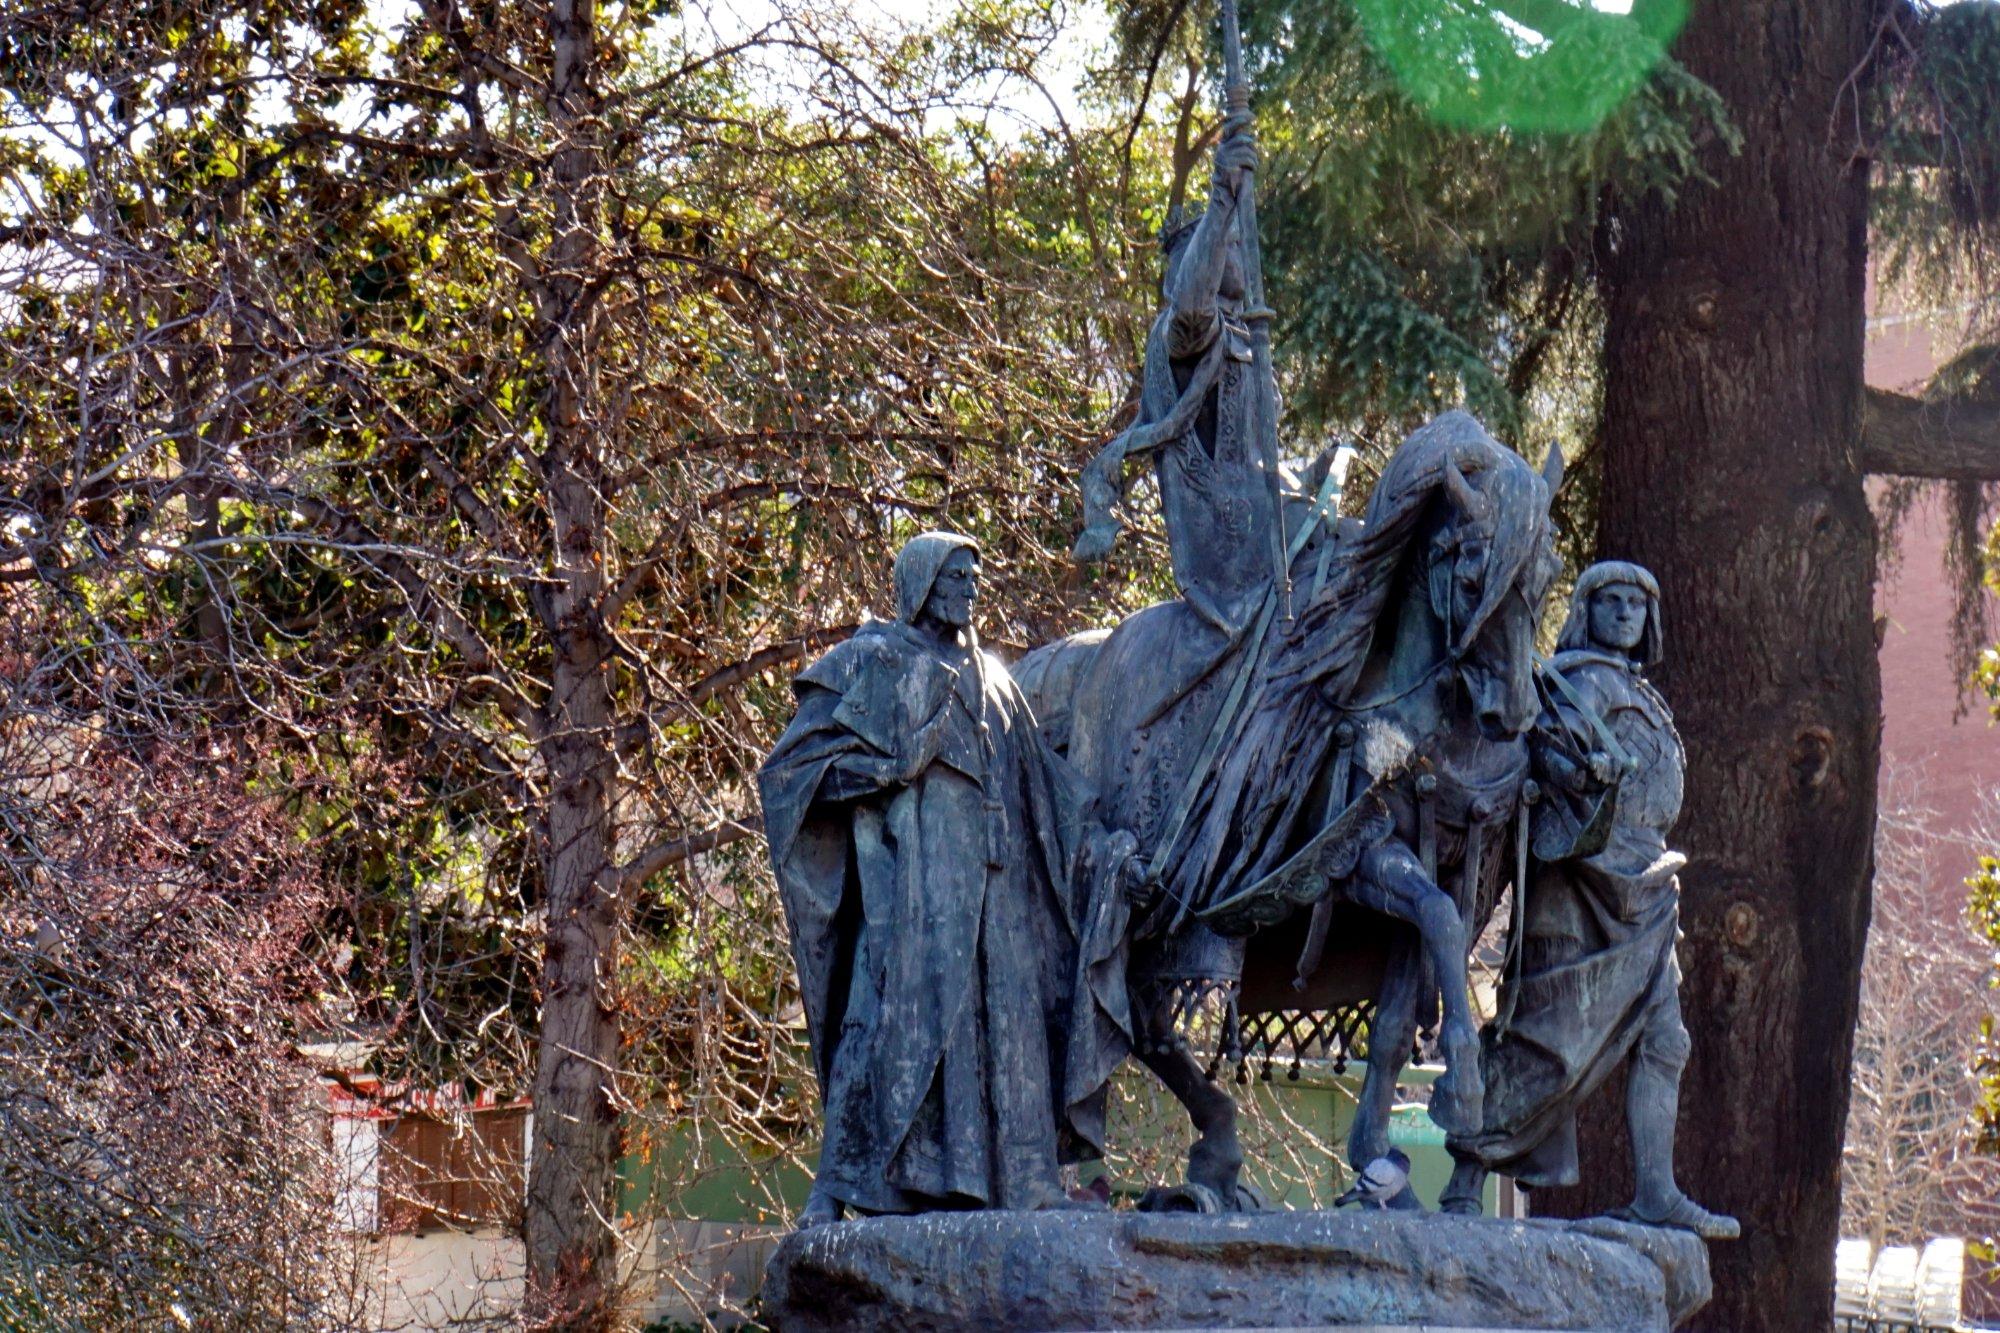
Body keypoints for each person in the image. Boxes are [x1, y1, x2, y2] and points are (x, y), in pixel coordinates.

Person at [758, 532, 1132, 1227]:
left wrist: (1104, 850)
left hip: (999, 890)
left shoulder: (996, 681)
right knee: (881, 1026)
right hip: (912, 885)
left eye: (974, 576)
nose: (970, 588)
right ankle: (834, 1189)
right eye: (957, 576)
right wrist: (886, 770)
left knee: (1009, 1030)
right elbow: (791, 778)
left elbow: (1048, 790)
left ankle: (1024, 1178)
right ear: (922, 582)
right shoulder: (871, 661)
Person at [1441, 561, 1738, 1238]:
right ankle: (1465, 1174)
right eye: (1613, 600)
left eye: (1638, 602)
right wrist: (1583, 772)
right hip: (1582, 886)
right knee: (1546, 1042)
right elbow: (1543, 753)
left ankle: (1656, 1192)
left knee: (1666, 1039)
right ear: (1587, 609)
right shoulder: (1574, 682)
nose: (1628, 612)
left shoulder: (1639, 691)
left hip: (1648, 884)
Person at [1074, 119, 1280, 635]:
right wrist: (1221, 199)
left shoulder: (1245, 339)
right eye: (1230, 245)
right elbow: (1192, 301)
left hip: (1271, 517)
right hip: (1229, 546)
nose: (1240, 253)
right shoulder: (1188, 333)